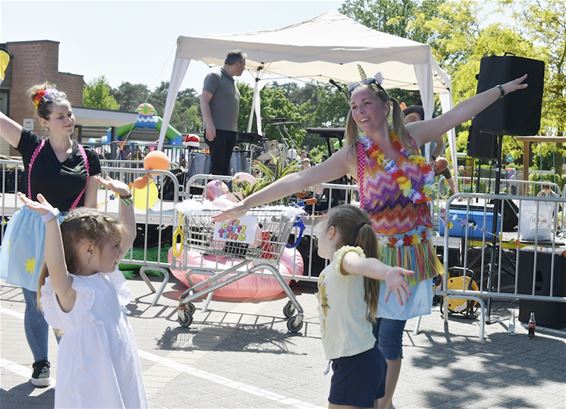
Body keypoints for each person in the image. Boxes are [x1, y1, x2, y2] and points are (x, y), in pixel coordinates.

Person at [213, 72, 528, 409]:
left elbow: (457, 114)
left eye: (366, 103)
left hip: (411, 257)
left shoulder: (411, 137)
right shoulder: (354, 155)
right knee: (371, 338)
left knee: (389, 338)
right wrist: (246, 204)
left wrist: (500, 89)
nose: (359, 111)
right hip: (376, 255)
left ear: (385, 106)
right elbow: (300, 178)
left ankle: (383, 403)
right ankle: (377, 400)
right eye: (353, 106)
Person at [0, 83, 101, 387]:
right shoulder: (31, 145)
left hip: (69, 233)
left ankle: (71, 363)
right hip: (33, 233)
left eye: (69, 114)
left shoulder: (88, 156)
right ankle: (41, 365)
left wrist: (89, 242)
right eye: (60, 116)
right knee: (35, 302)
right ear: (45, 121)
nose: (68, 120)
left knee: (66, 300)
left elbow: (92, 205)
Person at [19, 175, 147, 408]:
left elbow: (129, 233)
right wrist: (50, 222)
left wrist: (126, 197)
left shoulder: (106, 275)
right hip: (88, 384)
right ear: (89, 249)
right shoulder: (73, 291)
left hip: (117, 372)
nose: (121, 251)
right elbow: (56, 264)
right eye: (115, 246)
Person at [314, 205, 413, 409]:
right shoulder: (334, 267)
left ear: (331, 231)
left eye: (321, 227)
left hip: (355, 362)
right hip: (359, 360)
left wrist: (387, 272)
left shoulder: (345, 257)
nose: (317, 232)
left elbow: (361, 263)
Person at [200, 49, 246, 176]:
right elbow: (204, 100)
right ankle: (212, 195)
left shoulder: (232, 81)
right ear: (237, 63)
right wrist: (209, 125)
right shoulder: (215, 76)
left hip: (230, 132)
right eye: (243, 65)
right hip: (217, 131)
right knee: (218, 168)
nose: (244, 69)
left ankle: (220, 195)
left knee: (225, 169)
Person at [403, 105, 457, 195]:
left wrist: (432, 158)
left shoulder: (430, 126)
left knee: (425, 164)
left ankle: (426, 195)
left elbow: (441, 144)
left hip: (425, 122)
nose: (439, 170)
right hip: (410, 123)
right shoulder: (400, 122)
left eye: (439, 169)